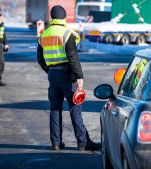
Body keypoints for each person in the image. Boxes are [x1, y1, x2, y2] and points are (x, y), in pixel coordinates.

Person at [37, 5, 100, 151]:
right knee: (75, 108)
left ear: (52, 18)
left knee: (54, 108)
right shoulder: (67, 34)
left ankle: (56, 142)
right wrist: (79, 77)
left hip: (52, 75)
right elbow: (73, 57)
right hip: (66, 75)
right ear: (64, 17)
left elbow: (40, 59)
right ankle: (83, 142)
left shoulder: (44, 35)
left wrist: (50, 70)